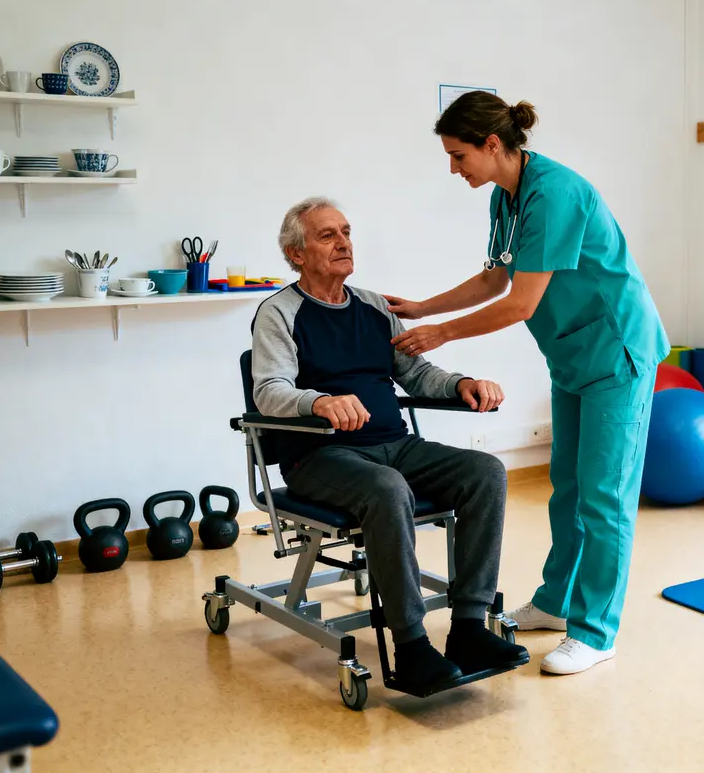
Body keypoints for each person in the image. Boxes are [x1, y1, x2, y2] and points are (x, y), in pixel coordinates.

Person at [384, 91, 669, 675]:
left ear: (494, 145)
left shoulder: (555, 192)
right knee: (566, 484)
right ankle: (558, 601)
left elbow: (520, 303)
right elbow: (496, 276)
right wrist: (421, 308)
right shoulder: (504, 197)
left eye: (459, 155)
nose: (453, 167)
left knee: (604, 496)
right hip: (570, 355)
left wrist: (441, 335)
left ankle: (596, 629)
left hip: (616, 353)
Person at [250, 196, 529, 692]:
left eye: (346, 231)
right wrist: (318, 402)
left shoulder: (375, 307)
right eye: (327, 235)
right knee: (387, 488)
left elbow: (415, 372)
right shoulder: (279, 313)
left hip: (395, 446)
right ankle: (413, 645)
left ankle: (467, 626)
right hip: (321, 456)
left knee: (486, 471)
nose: (344, 243)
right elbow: (269, 390)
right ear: (296, 253)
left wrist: (461, 383)